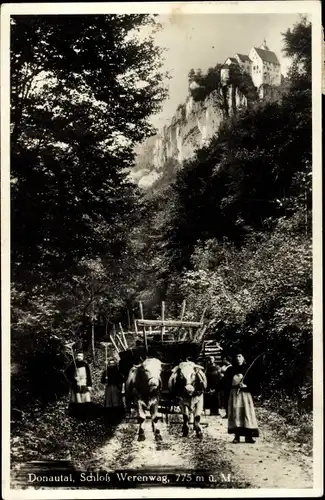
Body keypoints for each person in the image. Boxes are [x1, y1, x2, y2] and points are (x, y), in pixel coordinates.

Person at [228, 352, 259, 443]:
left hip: (245, 395)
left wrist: (246, 386)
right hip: (235, 395)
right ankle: (237, 436)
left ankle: (249, 436)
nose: (238, 358)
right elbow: (226, 382)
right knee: (237, 414)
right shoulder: (231, 369)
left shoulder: (248, 369)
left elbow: (255, 382)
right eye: (236, 356)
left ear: (243, 358)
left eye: (240, 356)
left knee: (246, 413)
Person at [64, 352, 92, 419]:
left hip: (84, 383)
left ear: (83, 357)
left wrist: (89, 385)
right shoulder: (73, 364)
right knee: (76, 399)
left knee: (85, 399)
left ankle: (85, 414)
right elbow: (66, 372)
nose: (79, 357)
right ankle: (75, 414)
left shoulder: (85, 364)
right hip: (76, 384)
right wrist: (73, 379)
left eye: (81, 356)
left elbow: (88, 375)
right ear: (76, 356)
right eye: (78, 355)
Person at [101, 352, 125, 426]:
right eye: (110, 363)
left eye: (113, 363)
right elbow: (102, 381)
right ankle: (109, 418)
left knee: (116, 402)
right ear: (108, 364)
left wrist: (121, 387)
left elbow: (122, 379)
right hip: (109, 388)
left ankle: (118, 417)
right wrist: (105, 379)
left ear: (115, 363)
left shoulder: (118, 371)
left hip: (116, 388)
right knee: (109, 402)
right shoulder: (106, 372)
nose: (111, 365)